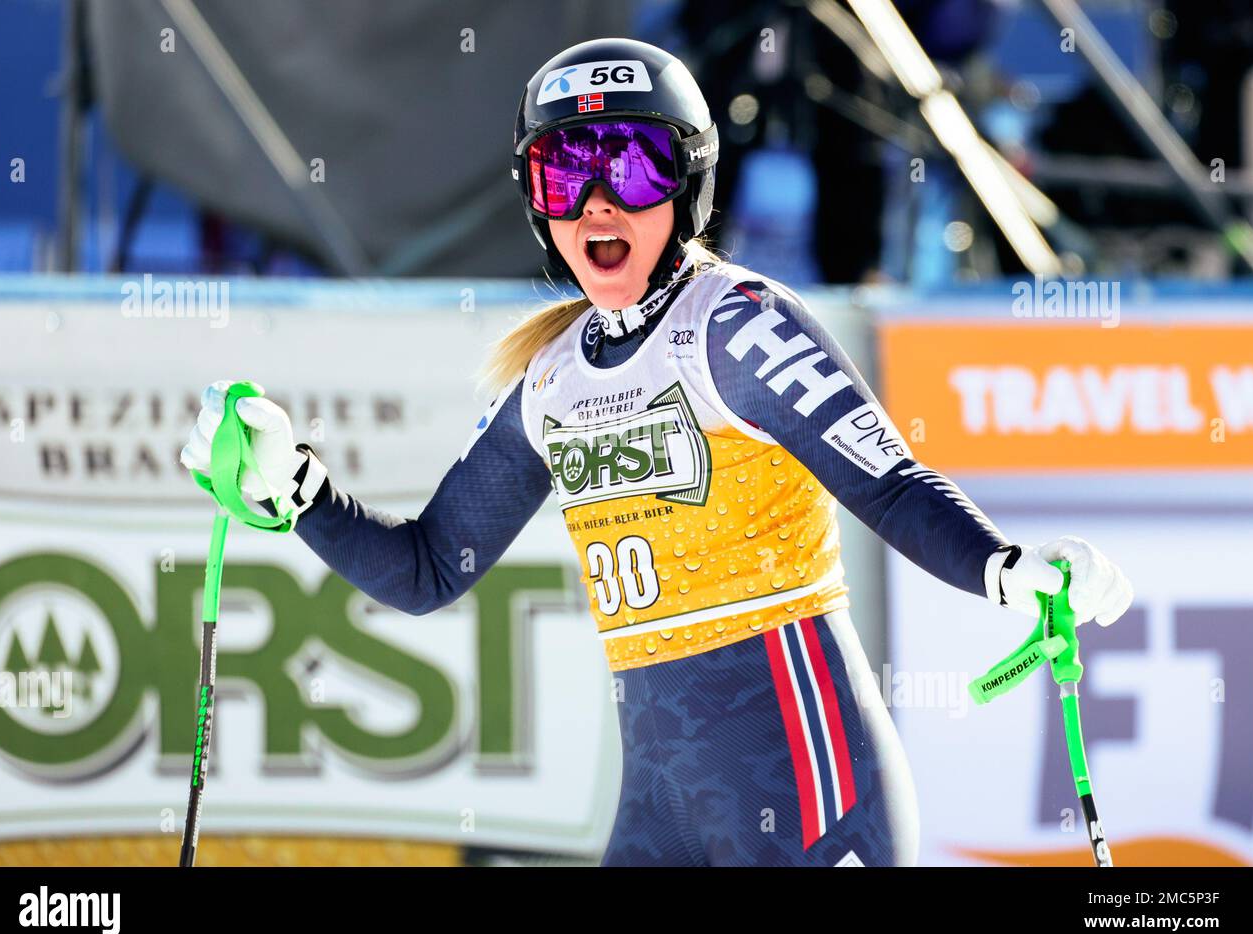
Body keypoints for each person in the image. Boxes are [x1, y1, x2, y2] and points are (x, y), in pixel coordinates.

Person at [181, 38, 1133, 866]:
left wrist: (1006, 569)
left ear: (687, 186)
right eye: (566, 174)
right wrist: (295, 491)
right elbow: (431, 569)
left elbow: (887, 483)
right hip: (663, 807)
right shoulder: (552, 379)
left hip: (808, 783)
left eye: (630, 167)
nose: (599, 202)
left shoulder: (732, 326)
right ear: (538, 206)